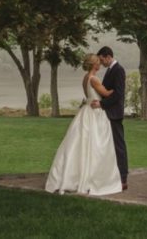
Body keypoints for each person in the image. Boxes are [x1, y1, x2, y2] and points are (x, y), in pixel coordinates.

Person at [45, 54, 122, 195]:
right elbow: (106, 93)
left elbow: (89, 96)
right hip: (95, 113)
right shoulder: (94, 79)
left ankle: (75, 175)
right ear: (94, 65)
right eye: (98, 62)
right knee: (95, 146)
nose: (100, 64)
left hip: (86, 111)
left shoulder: (85, 78)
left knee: (80, 144)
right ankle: (92, 178)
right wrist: (119, 89)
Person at [91, 46, 129, 190]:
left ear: (108, 56)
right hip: (108, 113)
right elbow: (106, 90)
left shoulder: (119, 70)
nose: (101, 63)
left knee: (119, 146)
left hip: (114, 114)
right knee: (109, 147)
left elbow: (118, 94)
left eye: (102, 60)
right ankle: (111, 175)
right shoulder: (110, 70)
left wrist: (101, 103)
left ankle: (123, 178)